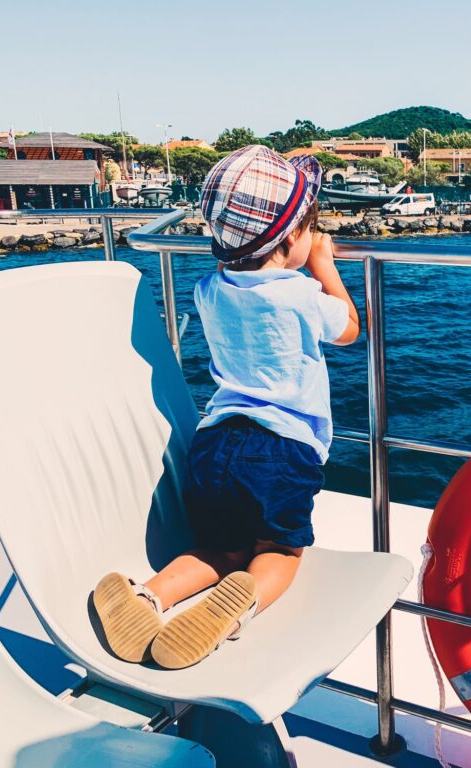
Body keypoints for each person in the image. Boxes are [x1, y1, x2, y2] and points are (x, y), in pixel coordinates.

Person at [92, 146, 360, 669]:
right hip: (282, 448)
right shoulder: (301, 294)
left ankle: (148, 597)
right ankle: (234, 610)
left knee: (223, 549)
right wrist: (325, 266)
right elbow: (349, 329)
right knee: (278, 553)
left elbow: (237, 263)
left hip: (214, 443)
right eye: (310, 229)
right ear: (289, 242)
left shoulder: (208, 289)